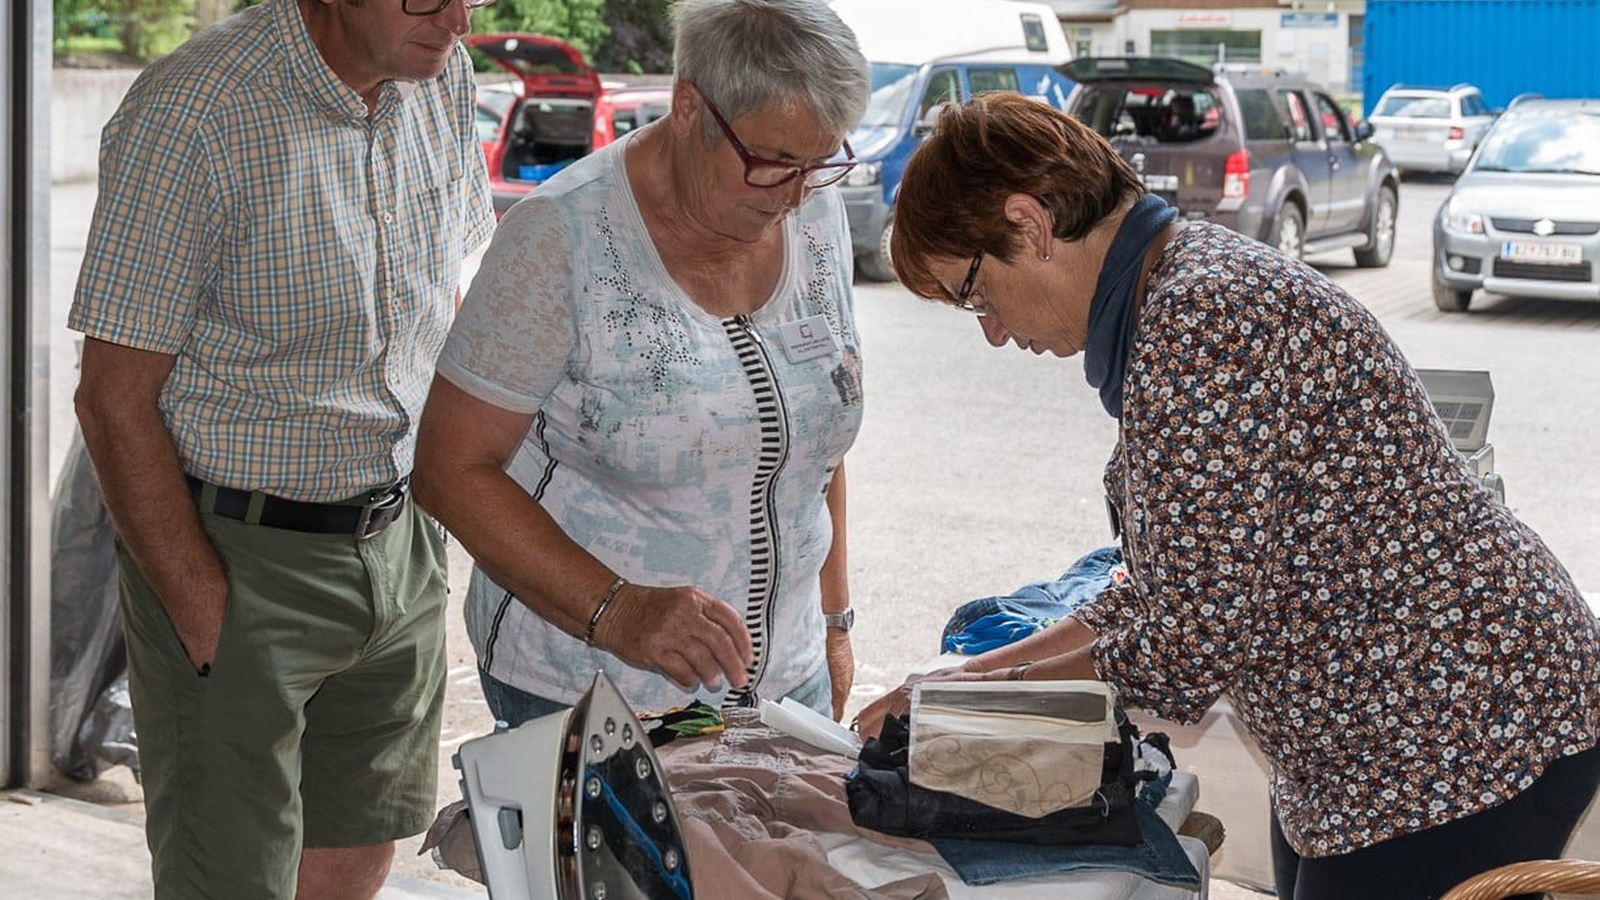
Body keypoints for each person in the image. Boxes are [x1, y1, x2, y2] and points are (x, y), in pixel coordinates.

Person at [858, 92, 1600, 900]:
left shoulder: (1198, 319)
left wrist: (977, 703)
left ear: (1030, 225)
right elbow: (1169, 588)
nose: (993, 331)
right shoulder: (1176, 286)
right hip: (1382, 735)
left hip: (1458, 730)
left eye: (974, 293)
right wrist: (966, 680)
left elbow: (1187, 643)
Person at [68, 0, 496, 896]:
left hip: (399, 542)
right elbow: (112, 401)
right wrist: (200, 605)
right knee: (230, 878)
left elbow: (442, 302)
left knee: (358, 848)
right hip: (237, 553)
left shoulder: (441, 75)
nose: (458, 20)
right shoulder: (197, 109)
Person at [412, 0, 870, 726]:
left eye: (818, 163)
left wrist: (834, 621)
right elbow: (448, 469)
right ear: (689, 109)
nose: (793, 195)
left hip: (788, 681)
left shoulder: (815, 210)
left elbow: (815, 435)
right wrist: (617, 609)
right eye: (772, 163)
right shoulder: (560, 238)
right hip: (591, 693)